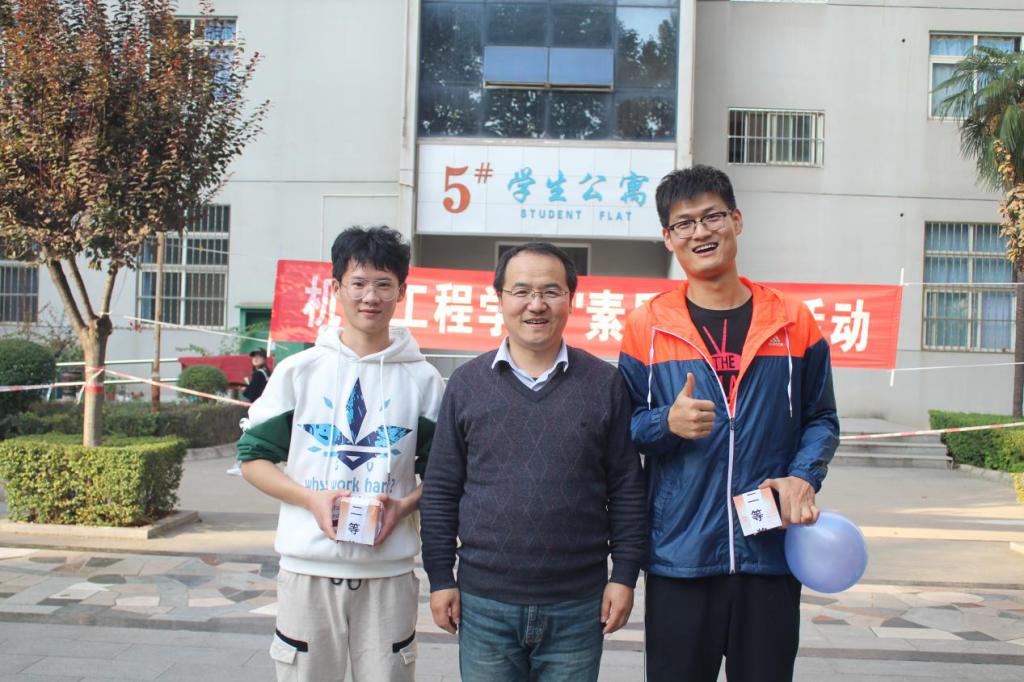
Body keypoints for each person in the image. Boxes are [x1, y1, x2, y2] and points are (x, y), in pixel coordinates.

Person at [618, 165, 839, 682]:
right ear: (668, 237)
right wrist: (666, 424)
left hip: (769, 550)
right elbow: (625, 429)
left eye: (712, 216)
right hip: (680, 553)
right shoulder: (646, 325)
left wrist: (803, 476)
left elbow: (821, 418)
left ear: (737, 220)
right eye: (684, 223)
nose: (700, 232)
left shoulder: (793, 320)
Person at [420, 242, 647, 682]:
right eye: (521, 291)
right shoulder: (466, 384)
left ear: (571, 299)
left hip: (578, 605)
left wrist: (624, 576)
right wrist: (440, 577)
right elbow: (442, 488)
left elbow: (626, 488)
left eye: (551, 291)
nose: (536, 305)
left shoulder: (605, 383)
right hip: (484, 603)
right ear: (500, 298)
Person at [236, 226, 445, 682]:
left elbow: (443, 476)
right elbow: (252, 459)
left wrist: (404, 505)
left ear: (401, 292)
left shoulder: (424, 381)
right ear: (336, 288)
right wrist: (309, 499)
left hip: (388, 575)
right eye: (359, 283)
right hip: (307, 571)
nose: (370, 296)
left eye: (384, 284)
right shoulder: (299, 372)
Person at [226, 349, 275, 475]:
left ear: (264, 359)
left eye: (259, 357)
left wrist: (245, 390)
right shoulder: (267, 373)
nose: (255, 359)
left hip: (257, 410)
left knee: (246, 437)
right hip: (265, 409)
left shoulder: (259, 374)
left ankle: (241, 465)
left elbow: (251, 393)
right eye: (253, 357)